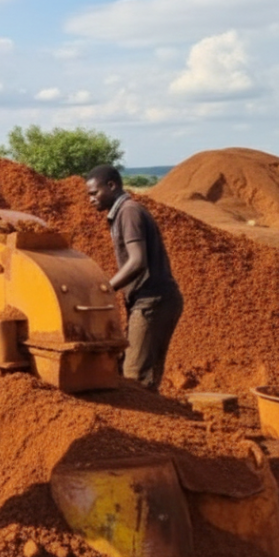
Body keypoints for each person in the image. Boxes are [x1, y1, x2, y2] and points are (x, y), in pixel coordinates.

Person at [85, 164, 183, 392]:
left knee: (135, 376)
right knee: (131, 367)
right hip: (147, 300)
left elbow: (138, 261)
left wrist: (106, 289)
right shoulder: (122, 213)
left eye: (94, 193)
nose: (90, 200)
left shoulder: (129, 212)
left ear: (112, 185)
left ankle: (149, 425)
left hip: (153, 300)